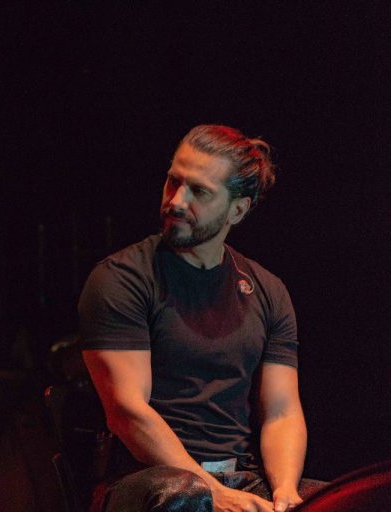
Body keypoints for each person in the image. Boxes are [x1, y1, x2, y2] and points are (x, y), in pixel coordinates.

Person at [78, 125, 324, 512]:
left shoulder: (267, 290)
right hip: (146, 479)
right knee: (186, 497)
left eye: (199, 191)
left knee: (343, 500)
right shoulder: (121, 279)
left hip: (241, 475)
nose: (176, 201)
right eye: (173, 181)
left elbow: (282, 411)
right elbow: (127, 410)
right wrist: (214, 492)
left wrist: (286, 493)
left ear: (238, 209)